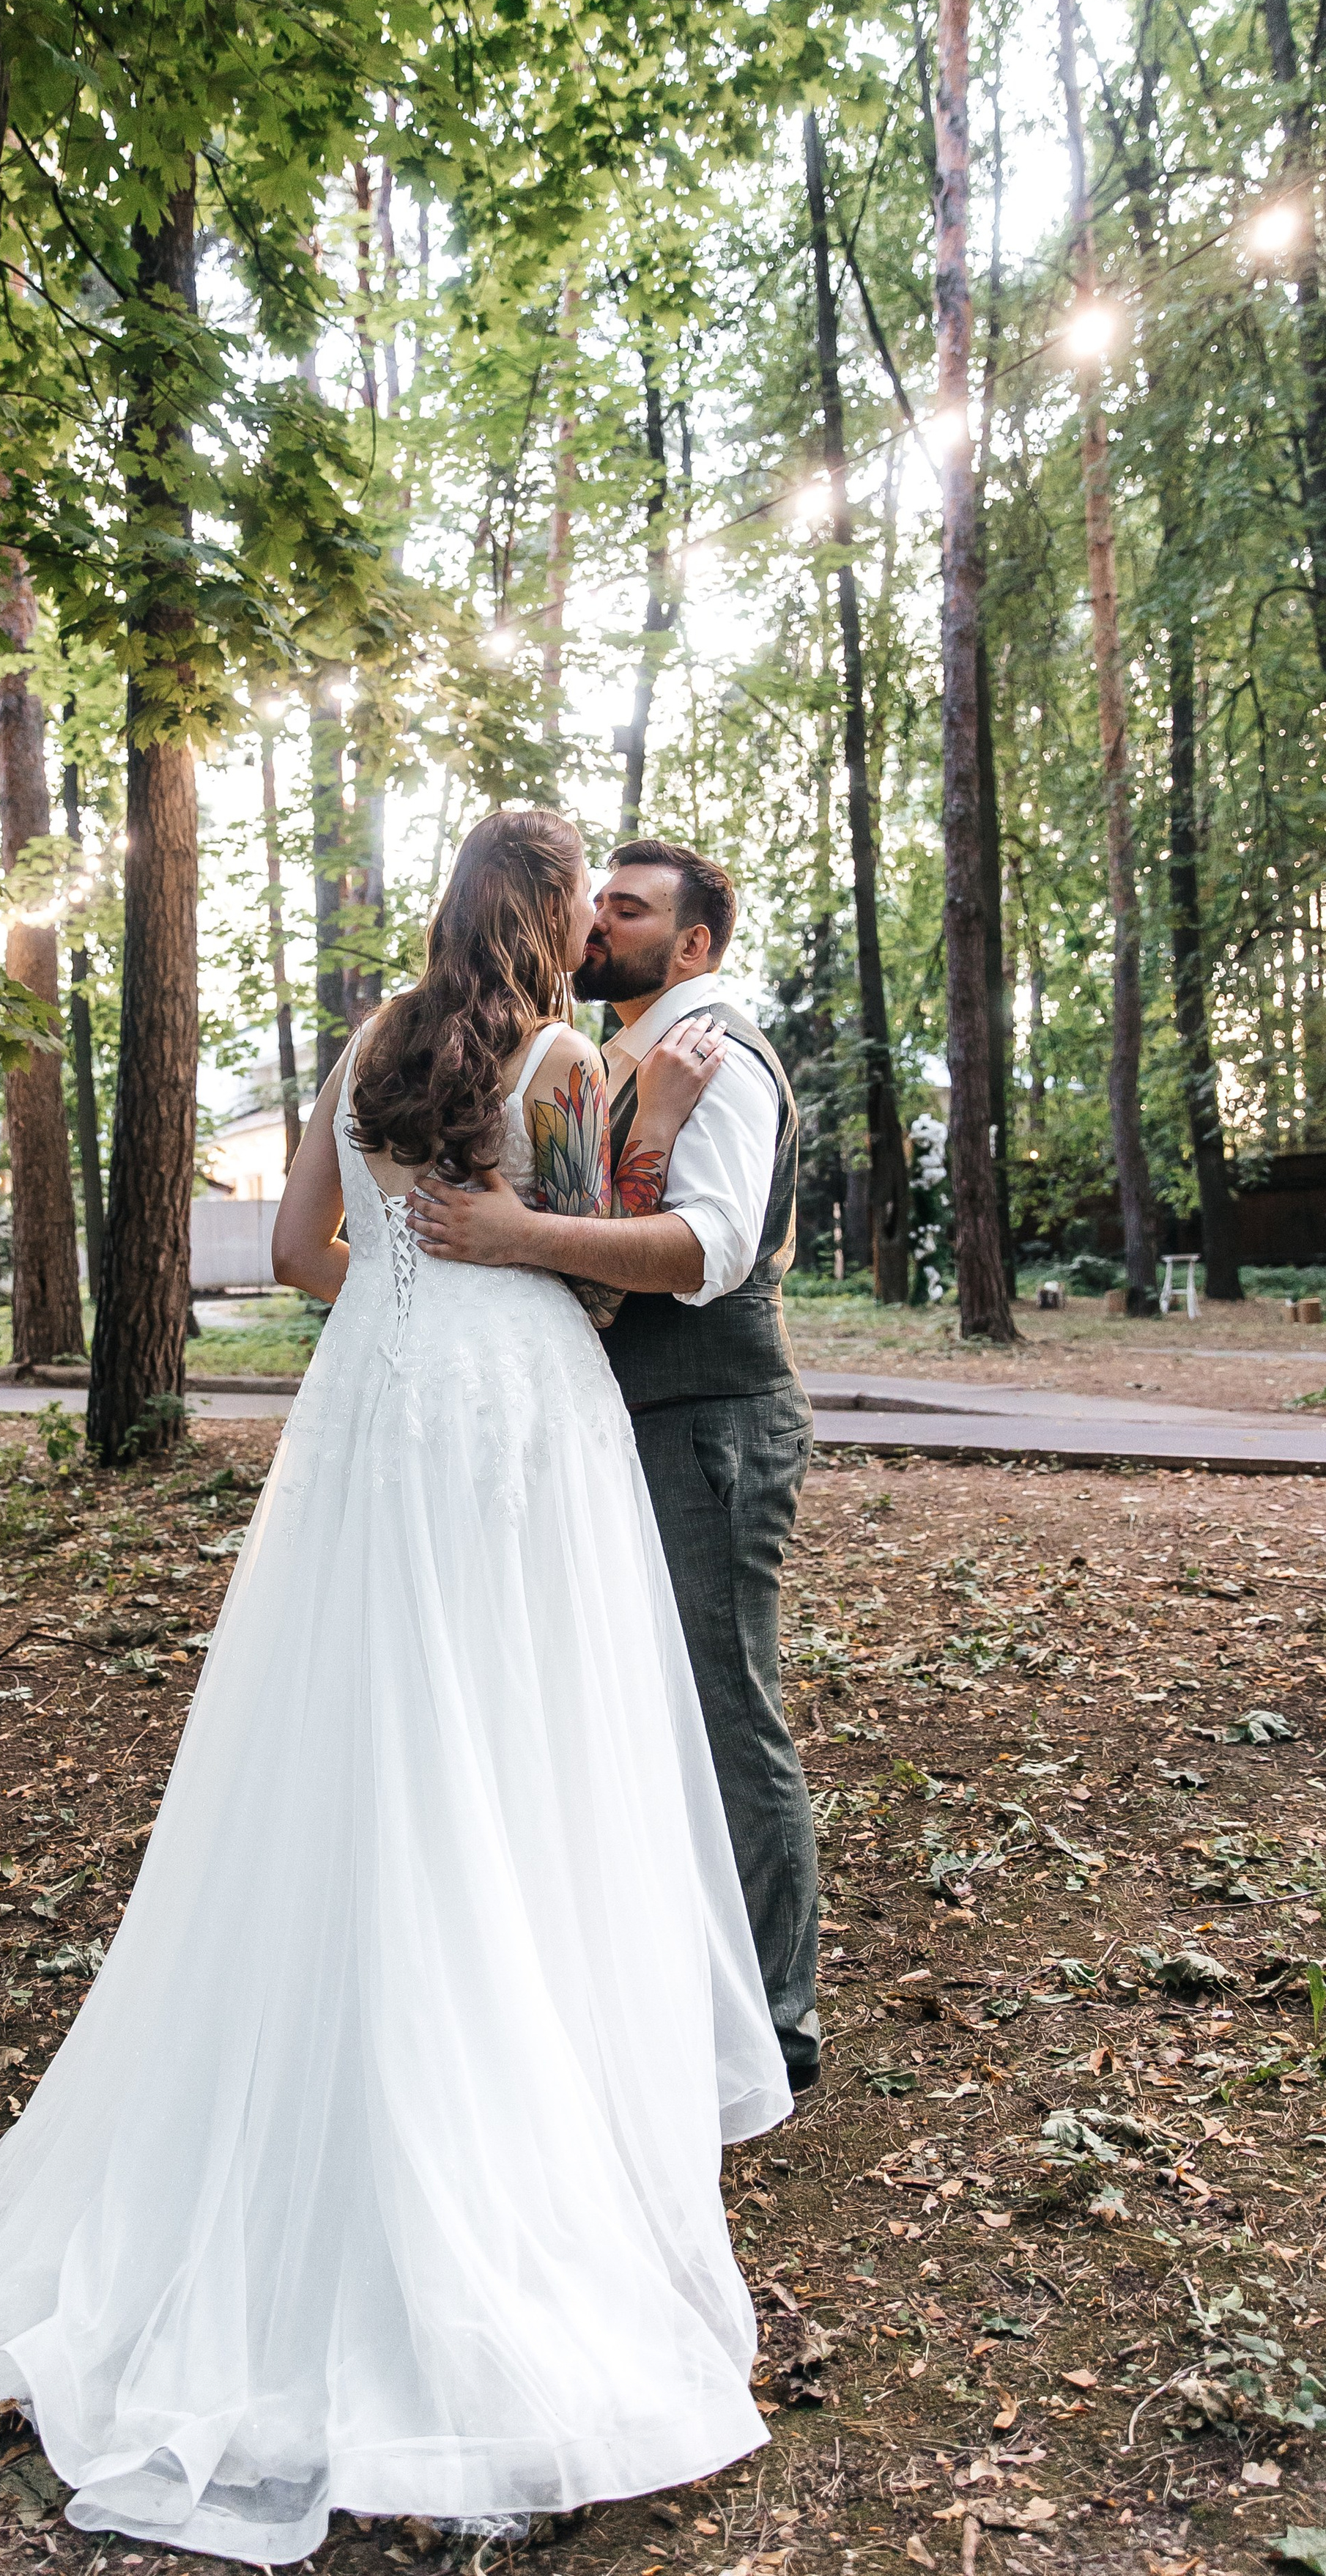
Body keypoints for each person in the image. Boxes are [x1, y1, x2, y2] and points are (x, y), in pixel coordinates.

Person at [0, 810, 793, 2564]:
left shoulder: (366, 1043)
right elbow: (608, 1273)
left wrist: (402, 1283)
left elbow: (295, 1261)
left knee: (357, 1718)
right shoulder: (567, 1062)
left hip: (375, 1408)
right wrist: (529, 1255)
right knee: (518, 1733)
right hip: (523, 1407)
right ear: (549, 922)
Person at [407, 839, 819, 2096]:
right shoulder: (624, 1056)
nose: (594, 926)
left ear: (692, 945)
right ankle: (674, 1997)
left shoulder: (720, 1056)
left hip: (707, 1422)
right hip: (624, 1422)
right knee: (647, 1716)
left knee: (723, 1708)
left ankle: (772, 2029)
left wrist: (519, 1234)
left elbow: (712, 1248)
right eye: (593, 905)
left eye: (625, 912)